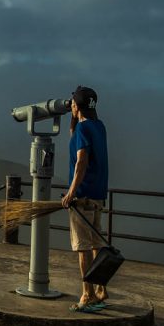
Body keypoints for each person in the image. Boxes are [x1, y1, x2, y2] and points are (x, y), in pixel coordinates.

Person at [60, 85, 109, 312]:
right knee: (96, 245)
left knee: (83, 247)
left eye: (72, 103)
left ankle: (87, 294)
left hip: (82, 197)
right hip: (99, 195)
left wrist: (70, 193)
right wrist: (74, 121)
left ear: (76, 106)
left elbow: (81, 161)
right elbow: (82, 142)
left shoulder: (82, 130)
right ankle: (101, 289)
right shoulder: (99, 127)